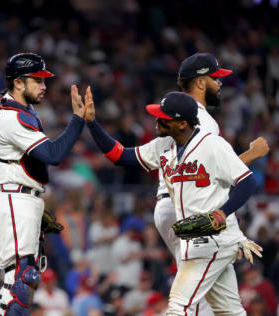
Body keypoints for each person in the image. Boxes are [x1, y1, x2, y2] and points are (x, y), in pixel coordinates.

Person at [85, 90, 257, 315]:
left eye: (164, 118)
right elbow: (120, 155)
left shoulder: (213, 144)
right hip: (195, 236)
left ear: (182, 123)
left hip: (213, 238)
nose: (157, 121)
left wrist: (222, 214)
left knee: (178, 306)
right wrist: (92, 123)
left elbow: (247, 182)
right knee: (229, 311)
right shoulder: (164, 144)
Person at [153, 53, 268, 315]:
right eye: (216, 78)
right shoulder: (197, 118)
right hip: (187, 206)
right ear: (201, 82)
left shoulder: (173, 111)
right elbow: (204, 175)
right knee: (193, 300)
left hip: (174, 202)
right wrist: (251, 155)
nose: (220, 83)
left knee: (219, 298)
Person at [0, 52, 88, 316]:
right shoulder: (12, 116)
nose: (44, 86)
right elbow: (53, 155)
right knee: (22, 279)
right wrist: (77, 121)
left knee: (14, 282)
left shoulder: (17, 109)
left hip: (15, 196)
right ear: (18, 83)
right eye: (37, 80)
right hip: (12, 198)